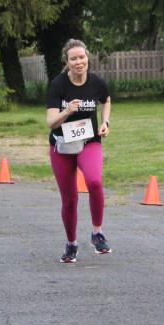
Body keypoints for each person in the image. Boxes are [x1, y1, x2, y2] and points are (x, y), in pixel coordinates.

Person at [46, 39, 112, 263]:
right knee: (70, 198)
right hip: (62, 145)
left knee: (95, 181)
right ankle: (71, 244)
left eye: (82, 57)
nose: (78, 62)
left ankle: (97, 233)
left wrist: (105, 122)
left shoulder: (96, 82)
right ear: (67, 61)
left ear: (87, 58)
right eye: (73, 59)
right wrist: (67, 111)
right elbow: (51, 122)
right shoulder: (58, 85)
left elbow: (106, 100)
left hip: (89, 140)